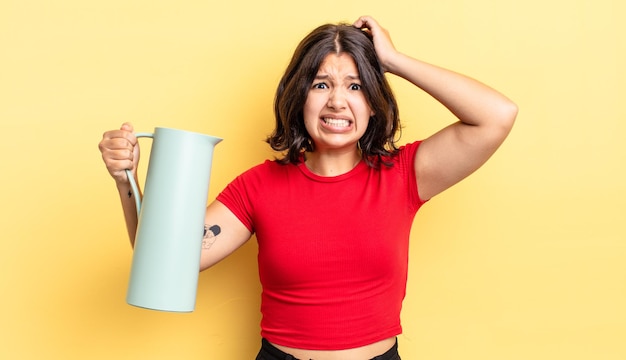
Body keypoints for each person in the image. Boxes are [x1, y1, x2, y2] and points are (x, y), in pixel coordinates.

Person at [99, 15, 517, 360]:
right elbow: (168, 259)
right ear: (300, 98)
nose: (338, 101)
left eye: (355, 86)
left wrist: (393, 60)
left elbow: (497, 115)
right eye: (321, 84)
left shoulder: (404, 173)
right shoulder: (257, 186)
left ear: (373, 101)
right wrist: (126, 181)